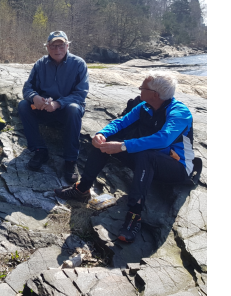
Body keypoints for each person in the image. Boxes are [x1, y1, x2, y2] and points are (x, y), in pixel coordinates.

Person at [54, 71, 194, 243]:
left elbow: (164, 139)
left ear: (155, 95)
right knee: (106, 143)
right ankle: (82, 189)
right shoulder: (145, 106)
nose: (139, 89)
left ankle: (134, 215)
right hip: (147, 161)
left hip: (176, 167)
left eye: (143, 87)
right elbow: (121, 122)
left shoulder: (179, 112)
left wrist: (123, 146)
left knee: (146, 154)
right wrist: (102, 134)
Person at [17, 30, 89, 183]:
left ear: (67, 46)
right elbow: (27, 88)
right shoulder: (40, 64)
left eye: (61, 45)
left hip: (67, 110)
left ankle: (70, 161)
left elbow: (81, 93)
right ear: (47, 47)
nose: (58, 49)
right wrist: (34, 97)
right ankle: (39, 150)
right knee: (24, 105)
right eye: (53, 46)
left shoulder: (78, 64)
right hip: (44, 109)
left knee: (74, 109)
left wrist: (58, 103)